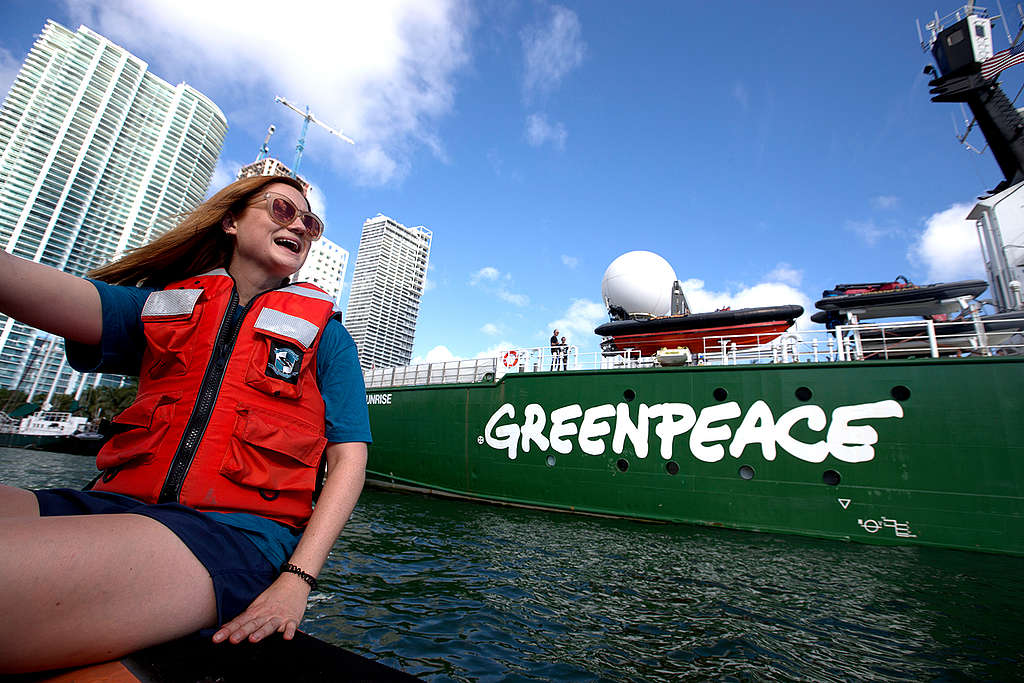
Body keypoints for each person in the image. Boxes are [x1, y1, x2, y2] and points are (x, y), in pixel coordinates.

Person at [0, 175, 371, 674]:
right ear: (231, 221)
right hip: (114, 504)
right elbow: (41, 290)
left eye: (311, 222)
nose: (300, 227)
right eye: (284, 210)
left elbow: (349, 458)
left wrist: (296, 579)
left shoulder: (327, 335)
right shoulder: (164, 306)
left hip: (230, 533)